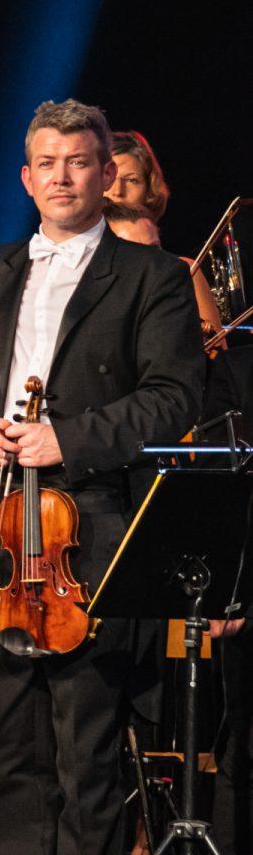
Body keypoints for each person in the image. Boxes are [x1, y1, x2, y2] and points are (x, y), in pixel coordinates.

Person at [0, 100, 204, 854]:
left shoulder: (152, 275)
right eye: (46, 163)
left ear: (106, 174)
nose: (61, 177)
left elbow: (174, 396)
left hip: (93, 524)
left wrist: (68, 439)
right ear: (25, 178)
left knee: (87, 752)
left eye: (78, 162)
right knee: (11, 750)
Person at [196, 347, 251, 854]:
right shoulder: (237, 370)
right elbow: (217, 487)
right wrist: (225, 596)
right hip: (249, 596)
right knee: (244, 748)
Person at [106, 131, 223, 343]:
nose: (118, 191)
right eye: (109, 178)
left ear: (149, 190)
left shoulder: (182, 271)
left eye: (131, 180)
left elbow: (216, 354)